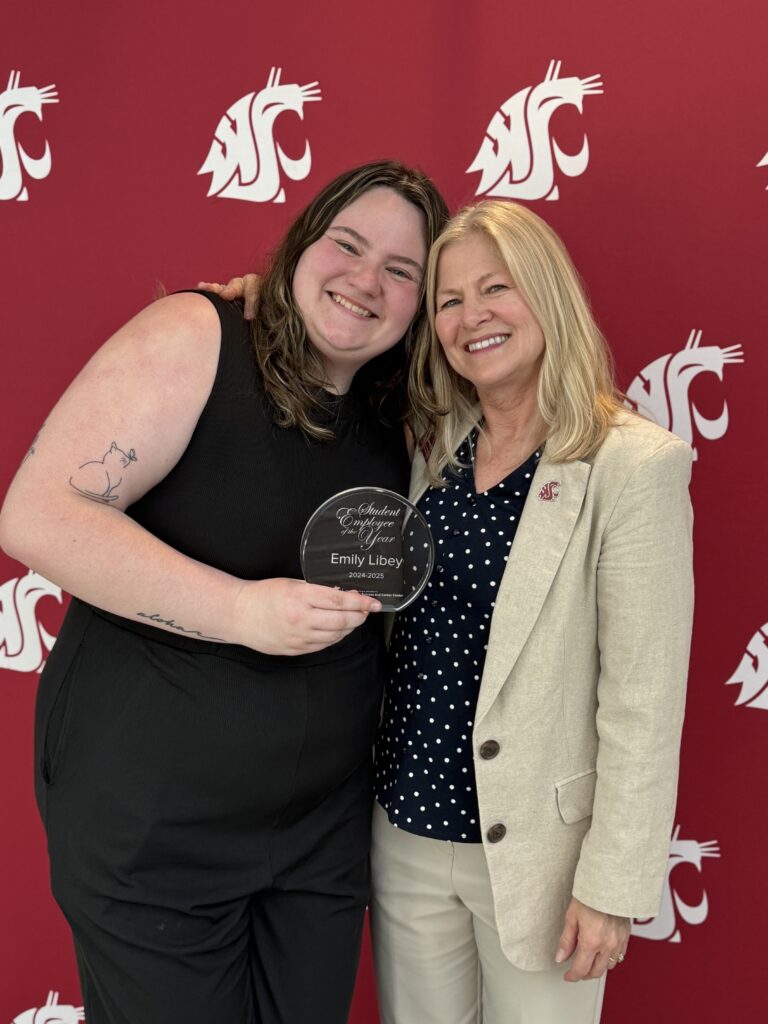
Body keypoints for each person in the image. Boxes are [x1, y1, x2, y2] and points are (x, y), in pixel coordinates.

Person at [0, 160, 449, 1024]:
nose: (365, 281)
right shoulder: (199, 335)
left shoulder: (406, 409)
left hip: (318, 835)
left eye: (402, 272)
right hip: (155, 827)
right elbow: (37, 515)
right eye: (347, 246)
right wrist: (240, 612)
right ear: (299, 245)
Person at [366, 200, 694, 1023]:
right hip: (402, 828)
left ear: (547, 295)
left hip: (539, 859)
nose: (471, 316)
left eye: (496, 288)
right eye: (448, 300)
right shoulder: (430, 445)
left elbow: (643, 701)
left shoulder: (632, 465)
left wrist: (614, 882)